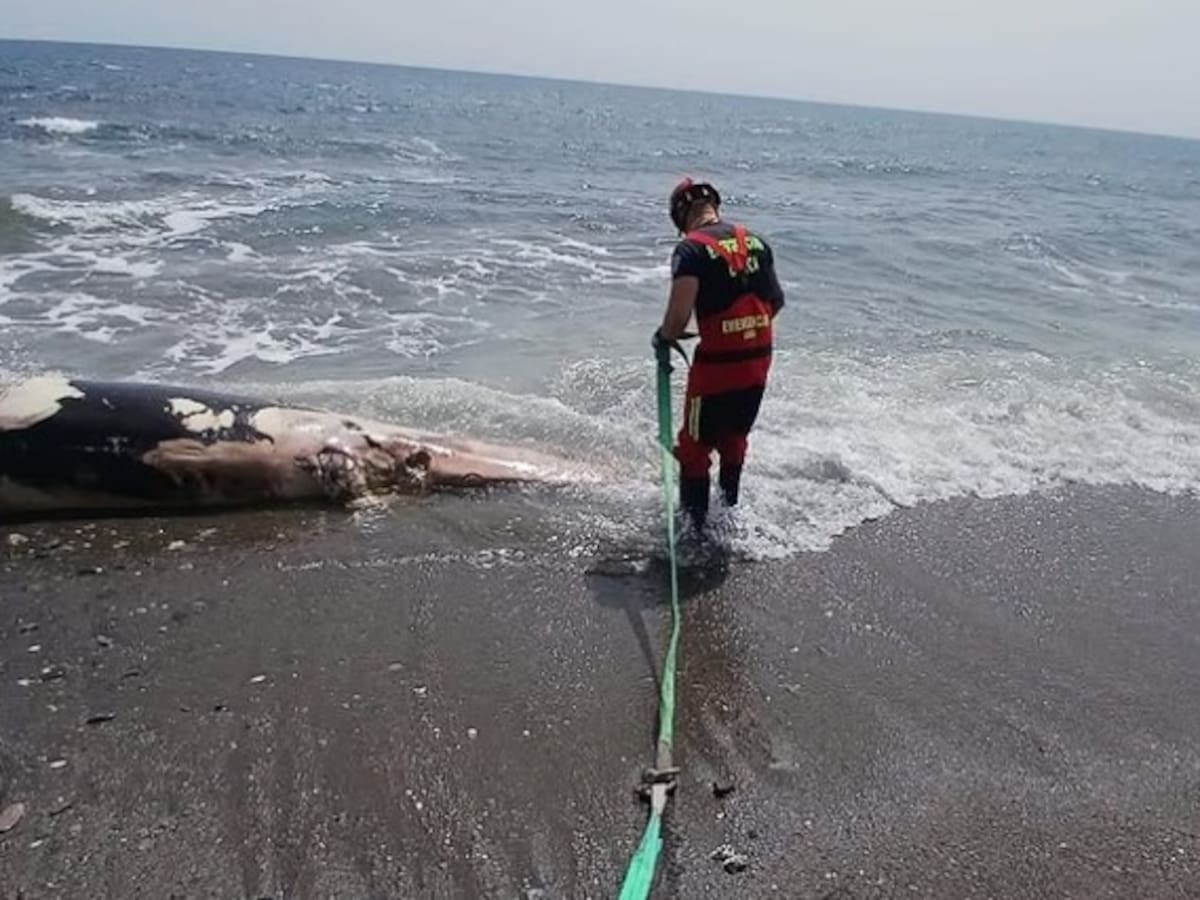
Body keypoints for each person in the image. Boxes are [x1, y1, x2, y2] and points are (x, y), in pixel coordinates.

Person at [652, 178, 785, 532]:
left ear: (680, 217)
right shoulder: (757, 243)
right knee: (734, 439)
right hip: (757, 363)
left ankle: (693, 532)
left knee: (694, 448)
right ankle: (729, 518)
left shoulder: (690, 250)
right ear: (715, 207)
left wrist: (664, 338)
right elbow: (776, 303)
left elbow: (677, 319)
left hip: (715, 372)